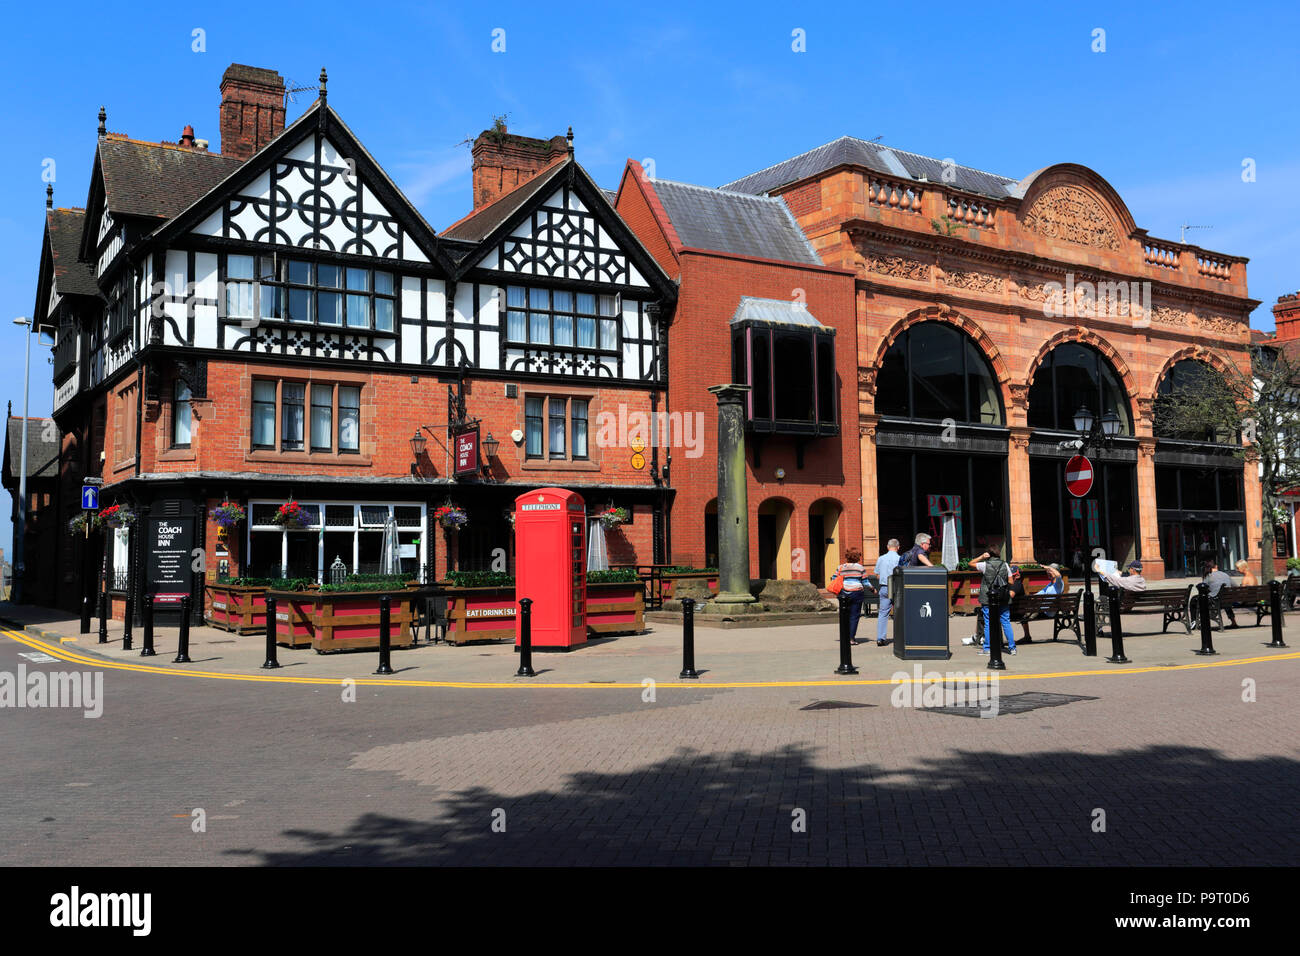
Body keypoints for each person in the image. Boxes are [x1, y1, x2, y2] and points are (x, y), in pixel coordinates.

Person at [972, 548, 1016, 655]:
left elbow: (971, 563)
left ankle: (987, 648)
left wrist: (982, 557)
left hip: (988, 598)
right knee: (1006, 622)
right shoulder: (1005, 565)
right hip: (1002, 597)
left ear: (989, 554)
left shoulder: (984, 565)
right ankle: (1012, 648)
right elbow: (1010, 581)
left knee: (988, 623)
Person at [831, 547, 869, 644]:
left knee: (844, 615)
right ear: (857, 557)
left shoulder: (841, 567)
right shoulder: (860, 568)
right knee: (854, 616)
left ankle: (844, 637)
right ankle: (851, 638)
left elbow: (833, 579)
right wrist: (873, 589)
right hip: (857, 593)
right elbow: (865, 581)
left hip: (844, 593)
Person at [872, 539, 902, 646]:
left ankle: (880, 638)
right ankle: (901, 636)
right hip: (897, 588)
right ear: (898, 547)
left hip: (884, 587)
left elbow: (877, 574)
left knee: (883, 613)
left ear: (887, 547)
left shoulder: (881, 558)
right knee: (900, 613)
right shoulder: (900, 559)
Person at [1202, 559, 1237, 629]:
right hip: (1227, 600)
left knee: (1197, 601)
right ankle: (1233, 622)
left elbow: (1203, 589)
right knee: (1226, 601)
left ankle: (1196, 622)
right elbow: (1235, 586)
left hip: (1216, 601)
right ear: (1216, 567)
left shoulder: (1208, 576)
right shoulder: (1225, 574)